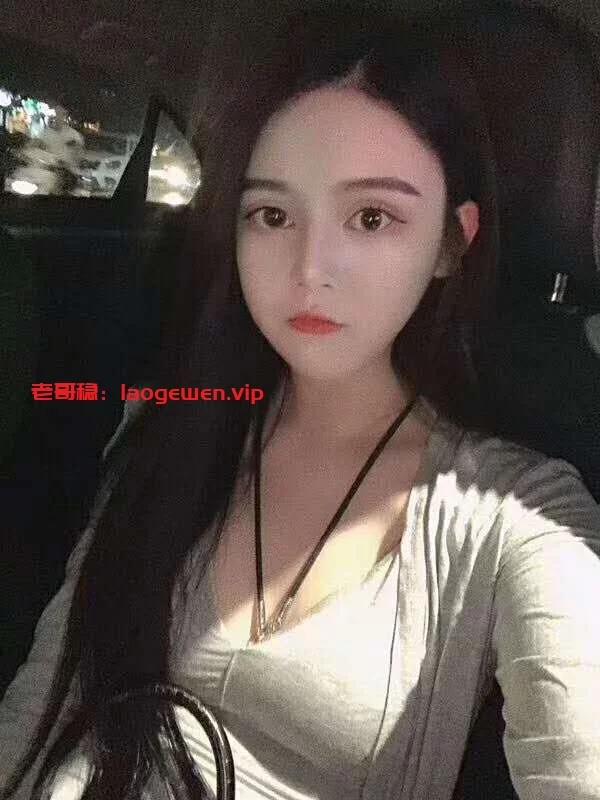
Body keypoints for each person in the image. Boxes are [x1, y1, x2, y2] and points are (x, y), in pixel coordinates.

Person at [1, 5, 600, 799]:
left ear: (451, 242)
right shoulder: (173, 424)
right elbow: (40, 712)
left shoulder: (518, 514)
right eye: (274, 214)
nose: (311, 267)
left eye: (372, 217)